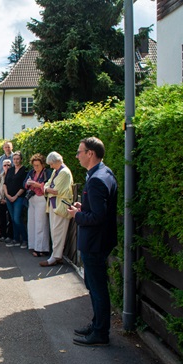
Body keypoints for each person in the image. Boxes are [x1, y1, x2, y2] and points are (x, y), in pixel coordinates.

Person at [68, 137, 118, 347]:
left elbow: (98, 217)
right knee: (96, 286)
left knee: (97, 288)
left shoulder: (97, 179)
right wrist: (83, 207)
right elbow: (98, 210)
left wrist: (76, 215)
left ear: (90, 153)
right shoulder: (104, 173)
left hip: (95, 243)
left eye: (80, 152)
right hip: (100, 241)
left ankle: (100, 332)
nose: (77, 156)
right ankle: (97, 325)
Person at [41, 151, 74, 267]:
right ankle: (56, 256)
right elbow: (47, 185)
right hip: (54, 205)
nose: (50, 166)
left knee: (58, 232)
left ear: (57, 161)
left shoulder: (64, 172)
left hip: (60, 206)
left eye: (51, 164)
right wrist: (47, 188)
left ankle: (55, 257)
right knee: (54, 231)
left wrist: (47, 189)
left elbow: (55, 190)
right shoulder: (56, 171)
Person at [25, 154, 51, 257]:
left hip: (41, 198)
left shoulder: (47, 173)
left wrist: (39, 185)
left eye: (37, 165)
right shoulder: (32, 172)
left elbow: (50, 185)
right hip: (32, 199)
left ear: (43, 164)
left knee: (41, 224)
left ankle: (41, 248)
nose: (35, 167)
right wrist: (28, 183)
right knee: (31, 223)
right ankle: (33, 245)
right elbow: (24, 184)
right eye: (34, 165)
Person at [3, 151, 28, 248]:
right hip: (9, 197)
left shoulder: (24, 170)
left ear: (21, 159)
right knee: (13, 219)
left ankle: (25, 239)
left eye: (18, 159)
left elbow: (23, 186)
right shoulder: (10, 170)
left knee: (17, 218)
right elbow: (5, 183)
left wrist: (15, 196)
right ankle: (16, 239)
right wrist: (7, 195)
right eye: (14, 159)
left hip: (19, 198)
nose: (16, 161)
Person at [0, 160, 13, 242]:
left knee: (11, 218)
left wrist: (7, 200)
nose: (7, 167)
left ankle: (10, 235)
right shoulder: (0, 176)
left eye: (8, 165)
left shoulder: (13, 176)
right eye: (5, 165)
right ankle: (3, 235)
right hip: (0, 200)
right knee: (2, 218)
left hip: (10, 200)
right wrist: (0, 199)